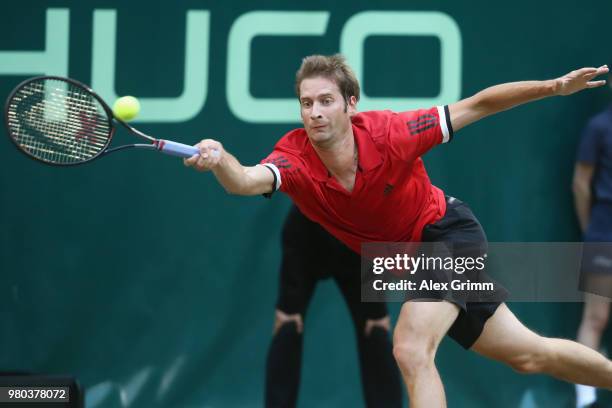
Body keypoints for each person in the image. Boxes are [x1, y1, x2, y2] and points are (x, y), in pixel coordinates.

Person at [184, 54, 612, 407]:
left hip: (447, 232)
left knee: (410, 347)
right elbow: (244, 180)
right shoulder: (293, 159)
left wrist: (553, 87)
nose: (314, 112)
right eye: (306, 102)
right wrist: (220, 160)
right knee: (528, 355)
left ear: (351, 104)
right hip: (413, 261)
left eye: (326, 100)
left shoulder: (393, 133)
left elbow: (479, 104)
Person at [265, 205, 402, 407]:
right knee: (288, 324)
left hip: (358, 248)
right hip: (304, 242)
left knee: (375, 328)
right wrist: (289, 304)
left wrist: (376, 309)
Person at [573, 76, 612, 408]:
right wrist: (591, 231)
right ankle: (585, 399)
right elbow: (581, 183)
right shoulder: (598, 127)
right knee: (595, 318)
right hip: (603, 234)